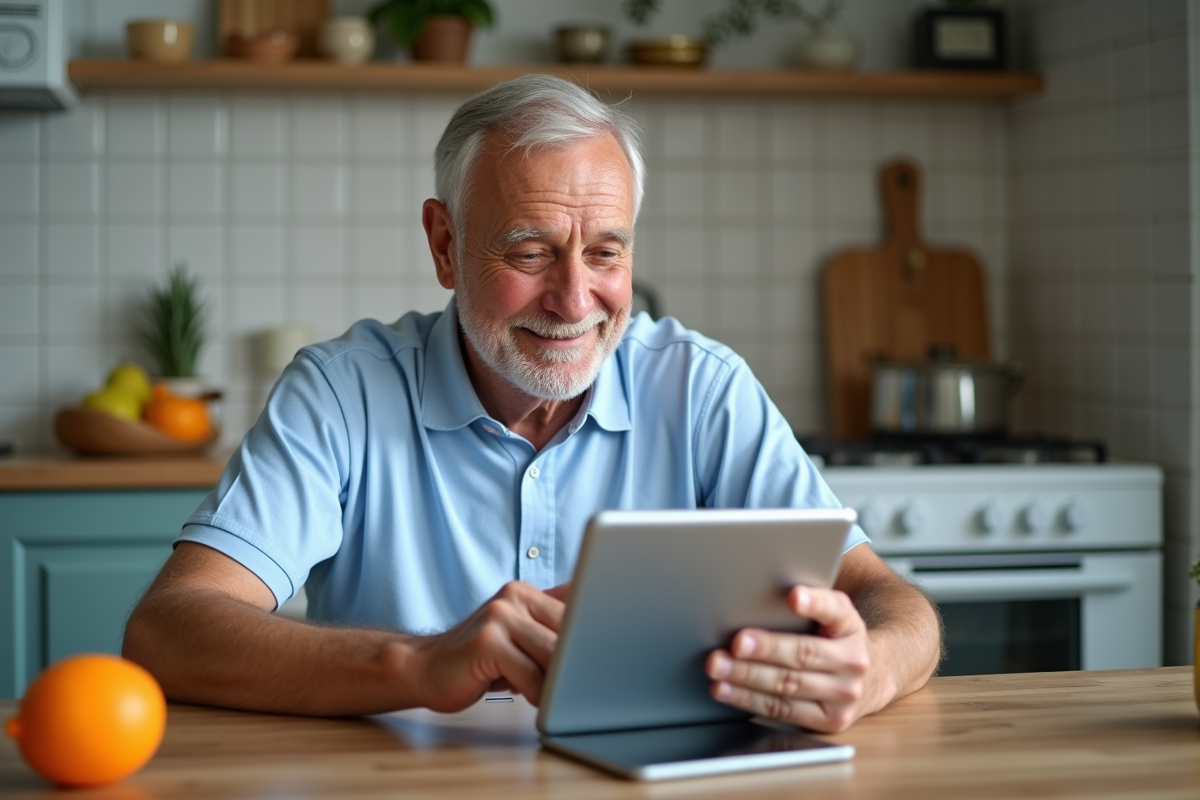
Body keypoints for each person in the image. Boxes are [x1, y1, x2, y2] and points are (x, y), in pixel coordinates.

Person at [123, 74, 941, 734]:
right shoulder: (341, 392)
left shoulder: (702, 387)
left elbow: (891, 603)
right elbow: (170, 627)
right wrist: (419, 664)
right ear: (445, 245)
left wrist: (872, 670)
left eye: (605, 252)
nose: (574, 297)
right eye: (530, 251)